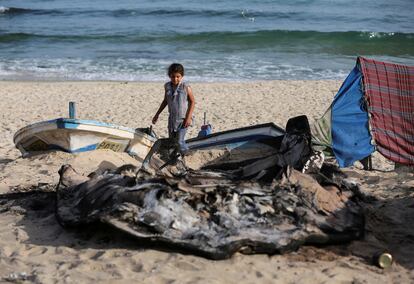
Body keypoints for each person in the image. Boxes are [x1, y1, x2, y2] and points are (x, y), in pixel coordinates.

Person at [152, 63, 195, 156]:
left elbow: (192, 102)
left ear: (182, 76)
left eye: (178, 76)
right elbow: (165, 101)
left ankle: (189, 156)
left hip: (183, 120)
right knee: (172, 142)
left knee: (180, 141)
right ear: (169, 76)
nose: (175, 79)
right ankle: (174, 159)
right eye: (172, 76)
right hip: (172, 120)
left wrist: (188, 117)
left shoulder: (185, 87)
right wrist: (157, 114)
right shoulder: (167, 86)